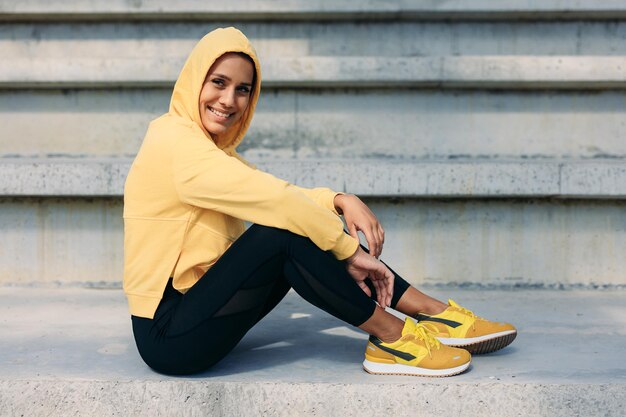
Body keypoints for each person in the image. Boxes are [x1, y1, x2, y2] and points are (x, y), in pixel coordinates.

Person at [123, 27, 516, 377]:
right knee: (281, 233)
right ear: (194, 81)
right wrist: (346, 249)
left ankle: (432, 313)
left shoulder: (210, 152)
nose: (229, 100)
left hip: (200, 312)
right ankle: (393, 335)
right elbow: (274, 201)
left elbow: (273, 189)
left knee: (292, 225)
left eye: (243, 90)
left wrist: (338, 199)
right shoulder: (172, 140)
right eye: (218, 83)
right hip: (169, 337)